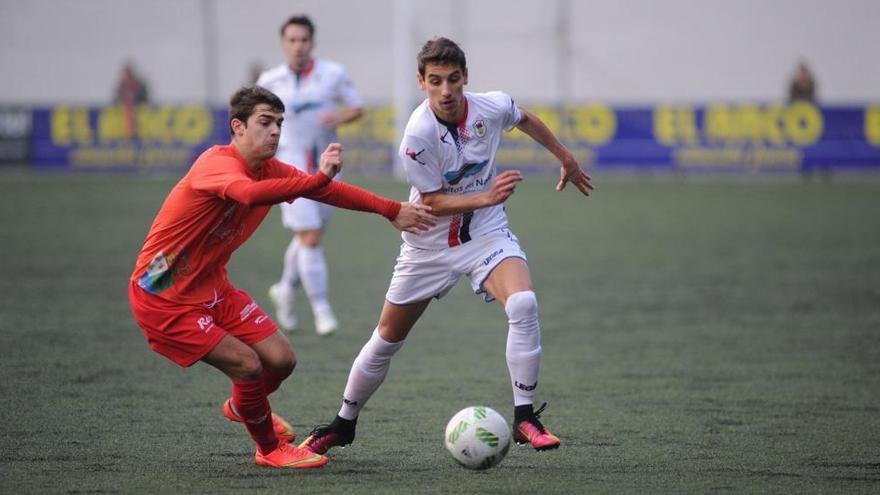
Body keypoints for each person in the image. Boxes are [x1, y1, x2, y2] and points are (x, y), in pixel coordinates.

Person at [298, 38, 594, 456]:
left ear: (465, 78)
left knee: (524, 304)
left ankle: (525, 417)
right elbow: (432, 202)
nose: (446, 90)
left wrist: (565, 156)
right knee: (386, 339)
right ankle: (343, 424)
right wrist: (486, 196)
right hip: (428, 244)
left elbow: (524, 117)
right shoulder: (417, 135)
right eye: (435, 81)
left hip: (486, 235)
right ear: (421, 82)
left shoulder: (489, 106)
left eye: (453, 79)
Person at [127, 86, 436, 469]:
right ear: (237, 127)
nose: (275, 131)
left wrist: (391, 209)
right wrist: (318, 180)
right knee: (248, 365)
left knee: (281, 360)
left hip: (211, 286)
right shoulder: (216, 164)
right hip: (162, 295)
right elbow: (249, 194)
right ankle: (269, 449)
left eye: (279, 123)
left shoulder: (269, 170)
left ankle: (243, 405)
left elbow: (327, 193)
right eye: (264, 122)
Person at [257, 15, 364, 336]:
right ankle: (322, 310)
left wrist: (340, 116)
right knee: (311, 237)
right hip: (287, 168)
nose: (298, 46)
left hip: (327, 167)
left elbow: (357, 107)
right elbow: (256, 122)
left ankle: (285, 289)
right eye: (291, 40)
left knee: (307, 237)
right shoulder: (270, 81)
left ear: (312, 43)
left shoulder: (332, 74)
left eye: (303, 40)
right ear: (283, 43)